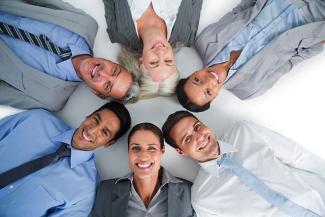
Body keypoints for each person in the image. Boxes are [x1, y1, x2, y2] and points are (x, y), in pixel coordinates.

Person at [162, 110, 325, 217]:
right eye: (188, 139)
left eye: (197, 127)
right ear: (181, 151)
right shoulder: (203, 198)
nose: (199, 137)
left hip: (319, 200)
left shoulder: (244, 132)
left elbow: (298, 156)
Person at [176, 0, 325, 112]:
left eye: (197, 80)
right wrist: (320, 41)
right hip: (314, 18)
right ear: (215, 97)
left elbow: (240, 9)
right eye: (208, 92)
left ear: (193, 73)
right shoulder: (250, 89)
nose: (208, 80)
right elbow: (293, 61)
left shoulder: (205, 41)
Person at [0, 102, 131, 217]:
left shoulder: (85, 192)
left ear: (109, 143)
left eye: (105, 132)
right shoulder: (36, 119)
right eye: (96, 119)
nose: (92, 130)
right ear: (89, 116)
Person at [0, 0, 134, 111]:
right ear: (112, 62)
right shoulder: (86, 24)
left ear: (98, 93)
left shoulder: (51, 100)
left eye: (107, 85)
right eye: (114, 71)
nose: (102, 73)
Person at [103, 0, 202, 101]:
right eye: (168, 61)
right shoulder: (187, 34)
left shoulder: (117, 33)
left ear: (140, 62)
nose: (160, 52)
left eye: (154, 62)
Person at [89, 122, 195, 217]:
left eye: (152, 148)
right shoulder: (106, 190)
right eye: (136, 148)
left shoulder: (188, 191)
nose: (143, 157)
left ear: (162, 151)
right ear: (128, 152)